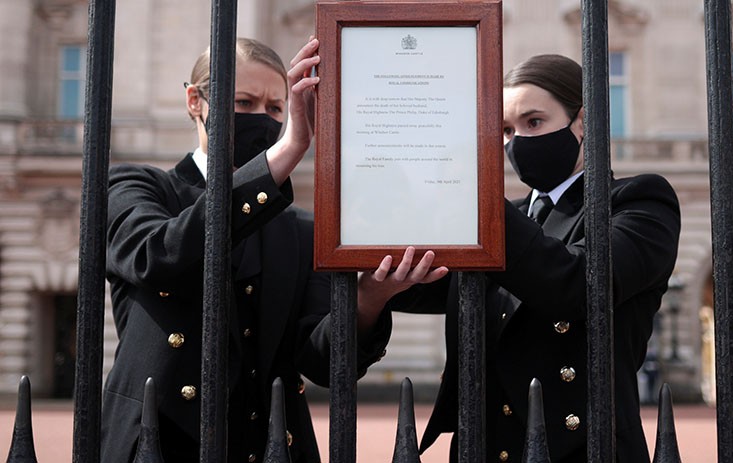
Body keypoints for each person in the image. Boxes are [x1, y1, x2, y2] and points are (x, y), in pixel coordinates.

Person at [101, 37, 443, 462]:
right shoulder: (138, 186)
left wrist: (369, 298)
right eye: (245, 103)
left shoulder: (300, 229)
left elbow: (322, 363)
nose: (262, 118)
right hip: (158, 438)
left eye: (275, 109)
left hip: (267, 443)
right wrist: (289, 149)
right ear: (195, 101)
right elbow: (157, 258)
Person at [374, 54, 681, 462]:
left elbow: (578, 284)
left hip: (581, 447)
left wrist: (475, 192)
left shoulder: (638, 201)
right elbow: (420, 283)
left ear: (583, 122)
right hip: (484, 446)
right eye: (505, 129)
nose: (516, 142)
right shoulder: (506, 216)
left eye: (533, 122)